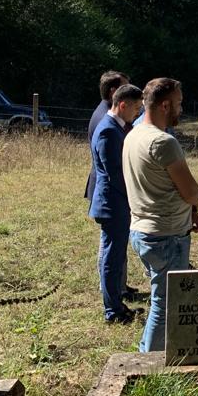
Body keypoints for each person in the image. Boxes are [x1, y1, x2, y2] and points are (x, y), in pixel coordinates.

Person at [123, 77, 198, 352]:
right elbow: (191, 191)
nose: (181, 109)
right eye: (179, 103)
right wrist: (196, 201)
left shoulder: (133, 135)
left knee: (161, 297)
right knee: (165, 304)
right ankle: (148, 363)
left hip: (142, 230)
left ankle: (147, 352)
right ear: (165, 105)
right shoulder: (163, 142)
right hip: (166, 235)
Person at [89, 84, 144, 324]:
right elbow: (115, 174)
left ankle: (115, 304)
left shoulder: (116, 127)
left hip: (116, 202)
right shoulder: (109, 131)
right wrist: (135, 197)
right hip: (112, 203)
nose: (138, 113)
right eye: (136, 108)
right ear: (122, 105)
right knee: (112, 258)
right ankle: (112, 311)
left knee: (115, 255)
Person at [86, 70, 129, 201]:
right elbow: (113, 168)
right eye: (125, 88)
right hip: (110, 192)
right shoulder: (106, 119)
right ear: (113, 92)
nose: (130, 92)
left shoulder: (106, 112)